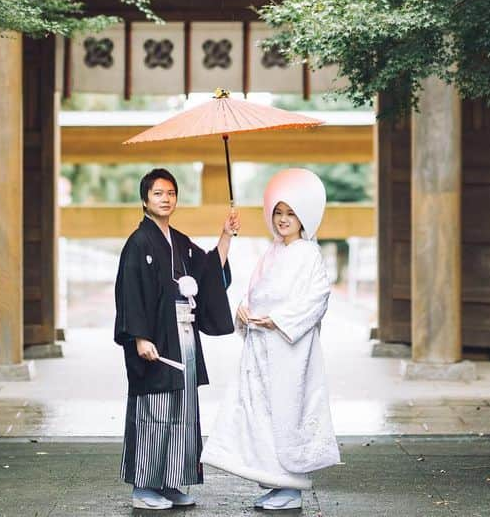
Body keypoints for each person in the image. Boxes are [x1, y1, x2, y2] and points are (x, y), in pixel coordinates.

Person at [201, 167, 341, 511]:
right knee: (261, 415)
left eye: (291, 213)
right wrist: (244, 312)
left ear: (303, 216)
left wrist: (278, 320)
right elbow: (255, 293)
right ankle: (275, 482)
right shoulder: (272, 252)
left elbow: (317, 298)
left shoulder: (309, 254)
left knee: (286, 411)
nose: (283, 219)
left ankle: (291, 485)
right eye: (278, 212)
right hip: (261, 347)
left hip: (288, 350)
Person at [114, 167, 241, 510]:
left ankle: (171, 482)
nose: (165, 199)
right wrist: (139, 337)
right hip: (154, 339)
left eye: (170, 193)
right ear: (145, 200)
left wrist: (226, 235)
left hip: (182, 339)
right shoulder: (138, 243)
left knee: (182, 413)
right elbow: (131, 293)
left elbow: (209, 271)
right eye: (158, 193)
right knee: (153, 412)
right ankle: (144, 487)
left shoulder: (180, 243)